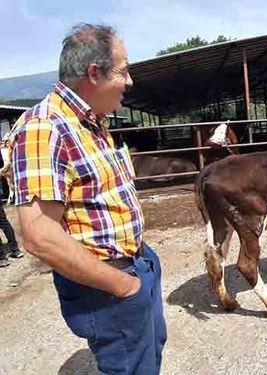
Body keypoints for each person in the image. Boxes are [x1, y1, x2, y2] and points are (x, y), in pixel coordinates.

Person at [7, 24, 166, 374]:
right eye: (123, 71)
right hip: (109, 285)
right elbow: (39, 236)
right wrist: (126, 287)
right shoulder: (45, 128)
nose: (130, 81)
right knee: (132, 367)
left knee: (148, 357)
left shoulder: (92, 123)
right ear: (94, 73)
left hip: (136, 264)